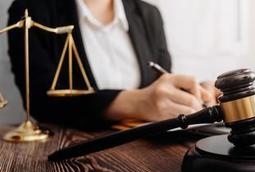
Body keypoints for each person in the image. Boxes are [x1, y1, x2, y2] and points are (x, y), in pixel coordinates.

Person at [7, 0, 221, 130]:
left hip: (149, 156)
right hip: (73, 155)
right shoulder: (29, 10)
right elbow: (39, 102)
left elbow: (160, 85)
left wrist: (193, 93)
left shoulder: (149, 14)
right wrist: (138, 103)